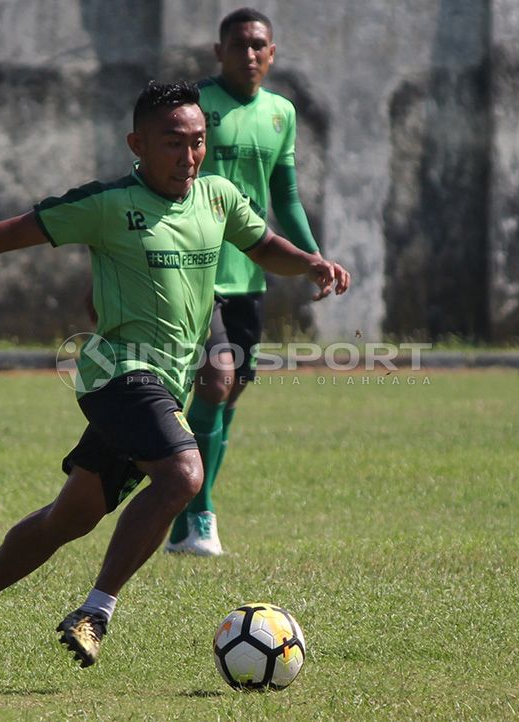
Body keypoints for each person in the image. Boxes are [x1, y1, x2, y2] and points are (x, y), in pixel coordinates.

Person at [0, 81, 350, 676]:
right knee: (183, 474)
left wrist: (307, 262)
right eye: (173, 143)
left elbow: (263, 245)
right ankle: (97, 611)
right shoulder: (107, 204)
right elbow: (17, 229)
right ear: (138, 144)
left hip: (166, 383)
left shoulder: (218, 198)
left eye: (198, 143)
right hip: (116, 372)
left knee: (70, 517)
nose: (188, 157)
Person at [165, 8, 324, 556]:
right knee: (215, 382)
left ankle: (186, 519)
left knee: (227, 401)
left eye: (259, 45)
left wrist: (312, 258)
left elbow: (285, 195)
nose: (249, 54)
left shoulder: (281, 113)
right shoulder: (196, 108)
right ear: (219, 52)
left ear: (272, 54)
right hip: (196, 271)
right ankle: (201, 513)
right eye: (239, 45)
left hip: (248, 276)